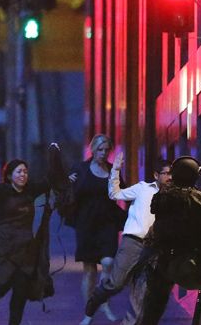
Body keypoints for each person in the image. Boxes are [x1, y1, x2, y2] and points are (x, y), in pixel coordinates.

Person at [81, 154, 172, 325]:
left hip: (153, 249)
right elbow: (115, 194)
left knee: (140, 292)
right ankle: (97, 297)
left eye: (171, 174)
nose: (169, 177)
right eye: (165, 173)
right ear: (156, 175)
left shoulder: (173, 197)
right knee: (116, 284)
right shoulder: (143, 188)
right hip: (133, 242)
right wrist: (115, 170)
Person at [0, 141, 56, 325]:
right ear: (10, 175)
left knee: (20, 292)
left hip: (26, 249)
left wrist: (56, 158)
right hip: (4, 247)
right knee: (1, 283)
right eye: (19, 171)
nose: (23, 175)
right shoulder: (3, 191)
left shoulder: (31, 190)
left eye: (25, 171)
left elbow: (49, 181)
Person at [136, 156, 201, 324]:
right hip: (190, 261)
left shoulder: (163, 195)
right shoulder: (196, 199)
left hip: (161, 261)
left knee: (151, 312)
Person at [69, 134, 126, 324]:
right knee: (89, 270)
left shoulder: (112, 170)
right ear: (92, 149)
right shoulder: (80, 169)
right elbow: (68, 192)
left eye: (106, 150)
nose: (103, 153)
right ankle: (89, 312)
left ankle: (104, 302)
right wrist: (69, 182)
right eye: (99, 150)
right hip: (86, 224)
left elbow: (123, 193)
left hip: (107, 222)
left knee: (108, 262)